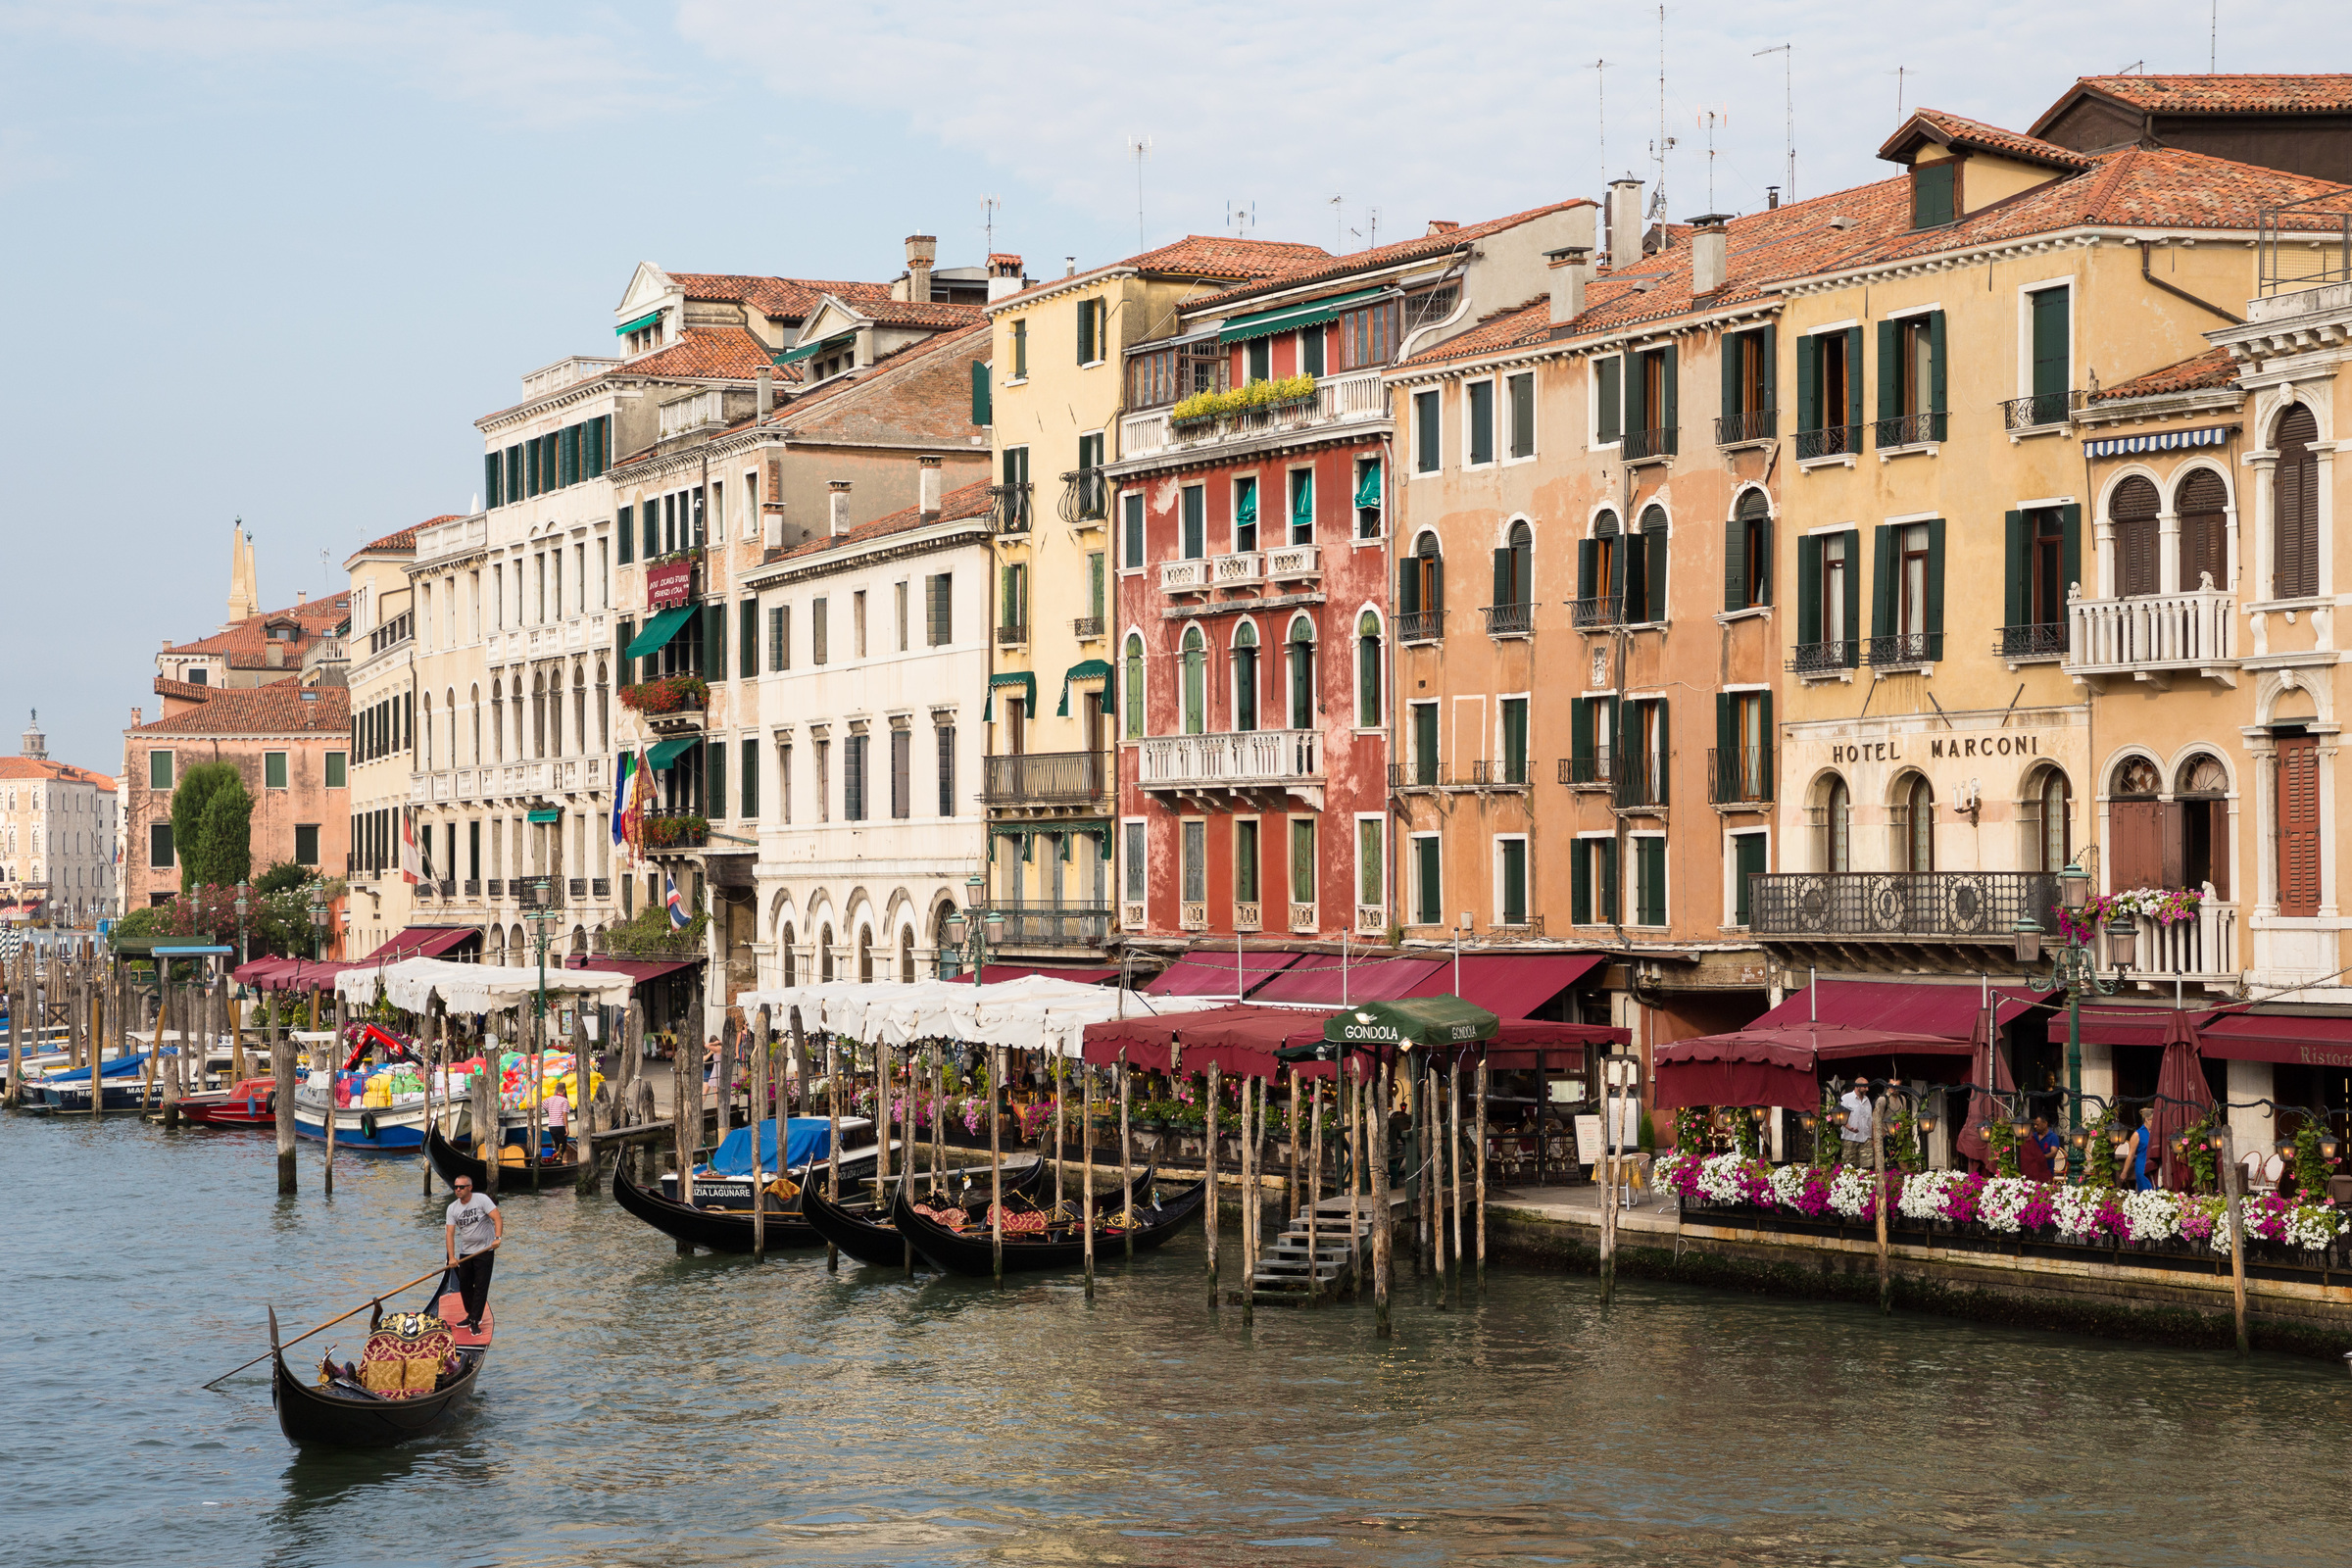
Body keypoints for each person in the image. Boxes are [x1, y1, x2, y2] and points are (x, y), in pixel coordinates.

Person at [444, 1174, 502, 1334]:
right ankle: (471, 1315)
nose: (458, 1190)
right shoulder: (452, 1208)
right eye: (455, 1187)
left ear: (470, 1187)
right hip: (466, 1252)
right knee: (465, 1286)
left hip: (485, 1250)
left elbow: (497, 1218)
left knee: (481, 1287)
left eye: (461, 1187)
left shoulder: (481, 1200)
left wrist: (497, 1238)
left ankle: (475, 1321)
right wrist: (452, 1257)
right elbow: (449, 1233)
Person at [1838, 1081, 1875, 1162]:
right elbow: (1840, 1117)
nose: (1867, 1089)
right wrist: (1849, 1127)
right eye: (1865, 1087)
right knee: (1849, 1166)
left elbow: (1870, 1119)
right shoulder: (1846, 1098)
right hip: (1850, 1138)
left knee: (1867, 1167)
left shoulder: (1867, 1100)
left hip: (1865, 1139)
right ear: (1857, 1086)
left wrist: (1872, 1138)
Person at [542, 1080, 569, 1162]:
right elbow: (564, 1113)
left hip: (551, 1126)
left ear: (556, 1090)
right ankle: (557, 1161)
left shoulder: (549, 1099)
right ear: (564, 1090)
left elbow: (543, 1105)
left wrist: (549, 1111)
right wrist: (567, 1127)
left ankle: (557, 1160)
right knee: (563, 1146)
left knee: (557, 1146)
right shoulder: (564, 1100)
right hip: (560, 1126)